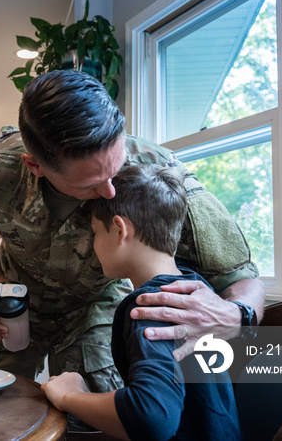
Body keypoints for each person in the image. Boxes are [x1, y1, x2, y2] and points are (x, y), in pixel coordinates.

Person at [0, 69, 263, 393]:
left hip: (96, 305)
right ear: (36, 167)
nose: (111, 191)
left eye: (117, 167)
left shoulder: (159, 175)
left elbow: (242, 277)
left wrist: (237, 316)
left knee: (92, 418)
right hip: (15, 300)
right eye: (91, 184)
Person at [41, 164, 241, 440]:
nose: (93, 244)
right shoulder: (197, 292)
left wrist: (70, 396)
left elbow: (151, 418)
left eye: (96, 232)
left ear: (119, 229)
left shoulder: (151, 306)